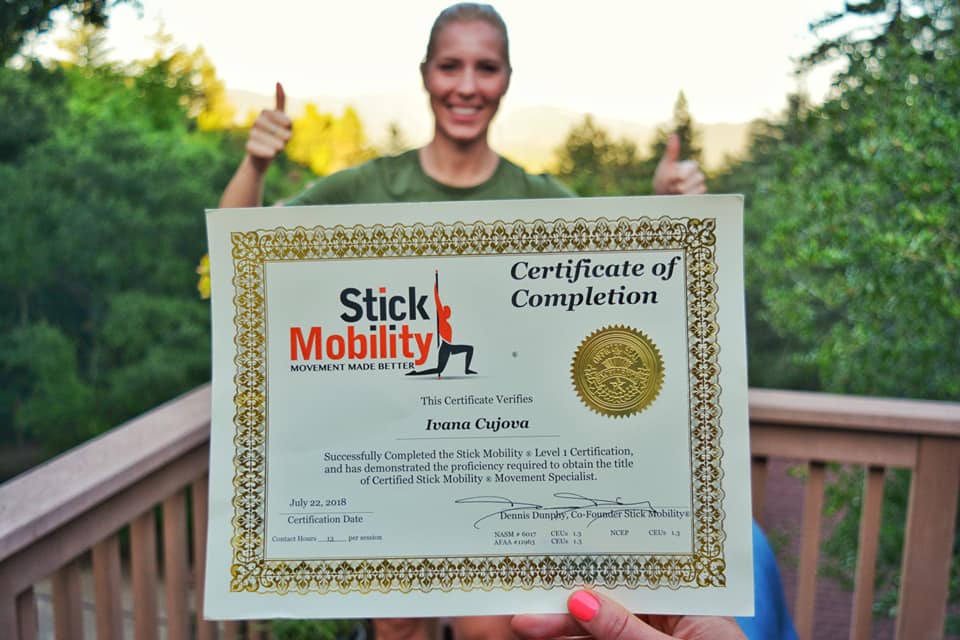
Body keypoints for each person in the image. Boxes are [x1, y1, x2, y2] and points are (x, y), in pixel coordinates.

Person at [220, 3, 750, 639]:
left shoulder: (540, 199)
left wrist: (664, 211)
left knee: (495, 629)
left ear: (507, 79)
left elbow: (619, 286)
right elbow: (237, 256)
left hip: (497, 476)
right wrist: (255, 165)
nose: (467, 86)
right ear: (425, 73)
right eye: (451, 66)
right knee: (396, 627)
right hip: (392, 466)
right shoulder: (365, 189)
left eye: (486, 68)